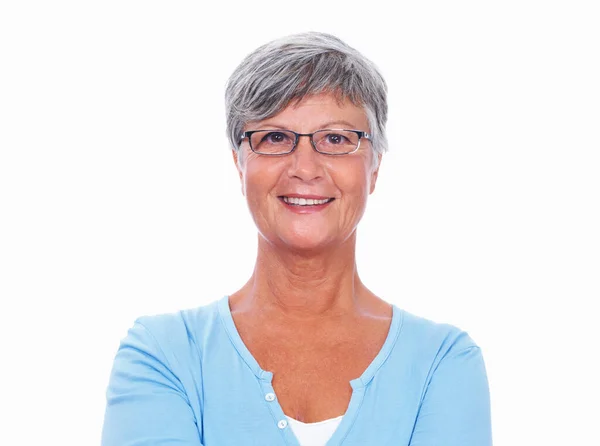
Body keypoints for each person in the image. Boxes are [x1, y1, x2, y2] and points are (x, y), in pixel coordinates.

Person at [101, 31, 492, 446]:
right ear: (239, 163)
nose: (305, 168)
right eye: (275, 137)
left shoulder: (443, 362)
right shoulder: (164, 354)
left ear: (374, 166)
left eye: (336, 139)